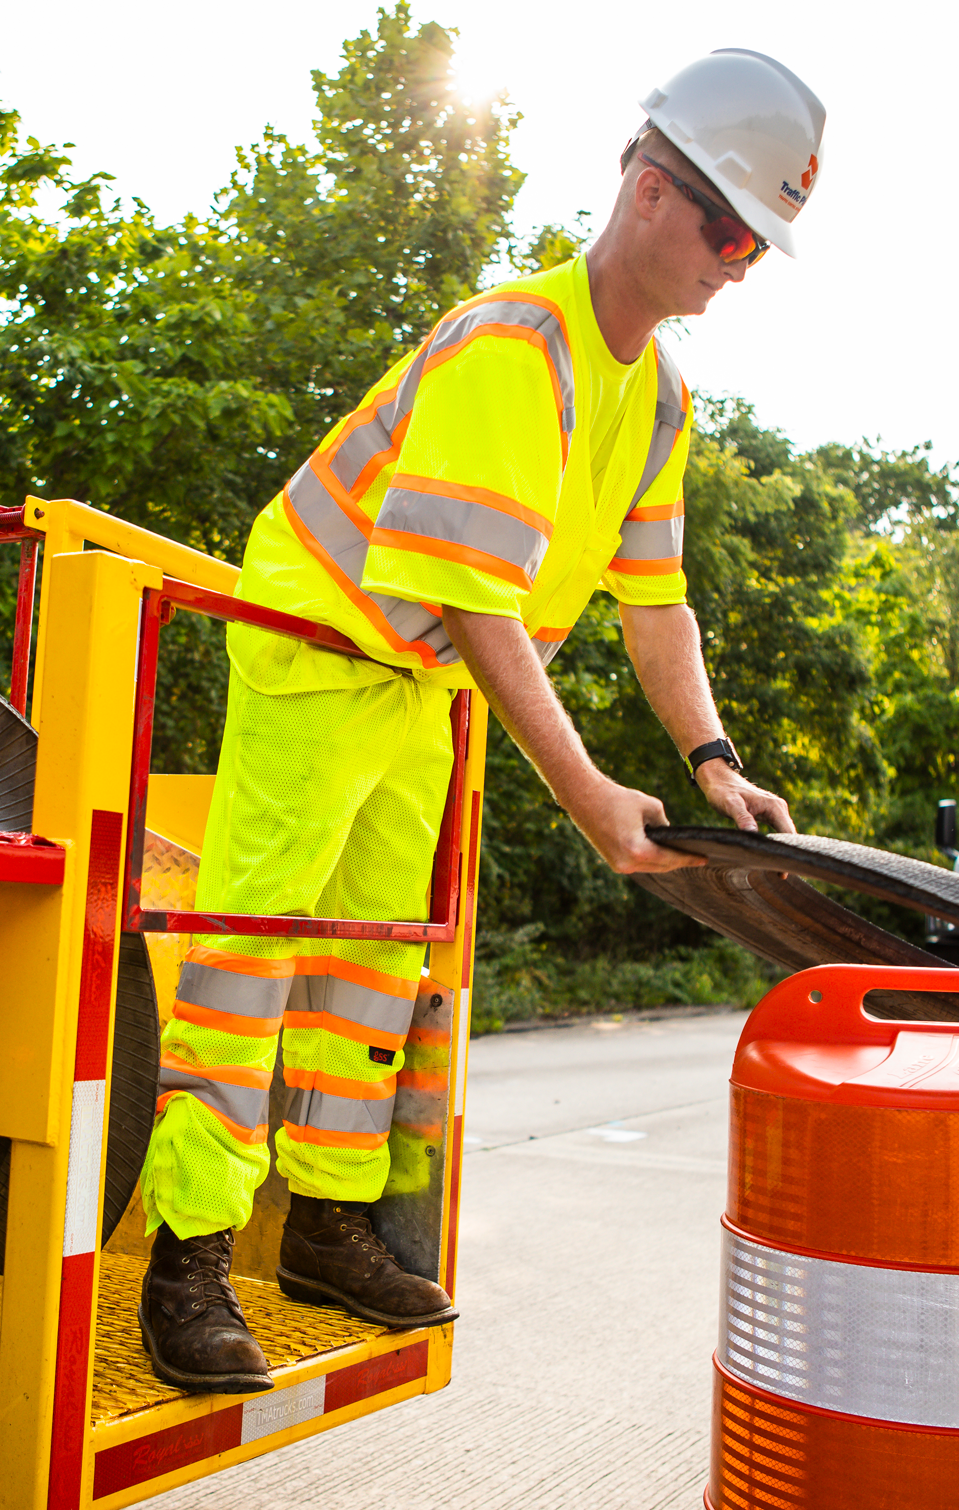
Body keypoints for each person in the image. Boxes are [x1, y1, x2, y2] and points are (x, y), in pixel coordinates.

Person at [137, 48, 827, 1392]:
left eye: (759, 242)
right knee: (256, 948)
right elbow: (477, 605)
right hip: (319, 639)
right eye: (732, 227)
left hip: (422, 684)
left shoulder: (660, 396)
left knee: (377, 960)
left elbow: (656, 605)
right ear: (647, 189)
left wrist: (713, 762)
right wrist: (585, 794)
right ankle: (191, 1252)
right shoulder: (518, 347)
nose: (740, 262)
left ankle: (327, 1225)